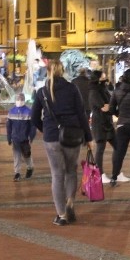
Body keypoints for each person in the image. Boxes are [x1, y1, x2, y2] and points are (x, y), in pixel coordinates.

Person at [31, 60, 93, 226]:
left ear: (48, 72)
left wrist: (45, 129)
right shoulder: (72, 88)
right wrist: (88, 137)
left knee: (57, 175)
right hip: (72, 134)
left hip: (52, 137)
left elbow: (33, 117)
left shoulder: (42, 91)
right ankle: (70, 202)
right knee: (71, 171)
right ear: (63, 71)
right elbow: (82, 113)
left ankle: (62, 215)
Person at [88, 70, 115, 182]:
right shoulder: (94, 92)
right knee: (100, 148)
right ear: (97, 78)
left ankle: (116, 172)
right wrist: (111, 106)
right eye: (103, 76)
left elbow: (110, 105)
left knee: (118, 147)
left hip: (107, 122)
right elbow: (104, 107)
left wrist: (110, 106)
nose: (105, 78)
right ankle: (100, 173)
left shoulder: (103, 90)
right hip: (99, 123)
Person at [6, 92, 36, 182]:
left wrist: (31, 137)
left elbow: (32, 126)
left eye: (21, 99)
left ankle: (30, 167)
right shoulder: (11, 111)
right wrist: (9, 137)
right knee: (17, 156)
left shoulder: (28, 111)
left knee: (27, 155)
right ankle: (17, 173)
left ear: (24, 100)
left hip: (25, 139)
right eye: (18, 99)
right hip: (15, 138)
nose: (19, 101)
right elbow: (9, 126)